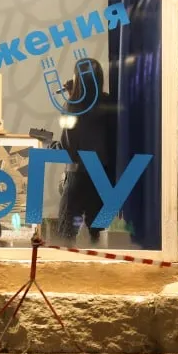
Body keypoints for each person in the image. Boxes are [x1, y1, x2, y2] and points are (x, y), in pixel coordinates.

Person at [57, 58, 119, 243]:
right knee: (97, 232)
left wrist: (72, 98)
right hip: (103, 174)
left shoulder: (72, 106)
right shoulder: (108, 102)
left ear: (77, 78)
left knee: (67, 233)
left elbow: (68, 147)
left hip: (78, 175)